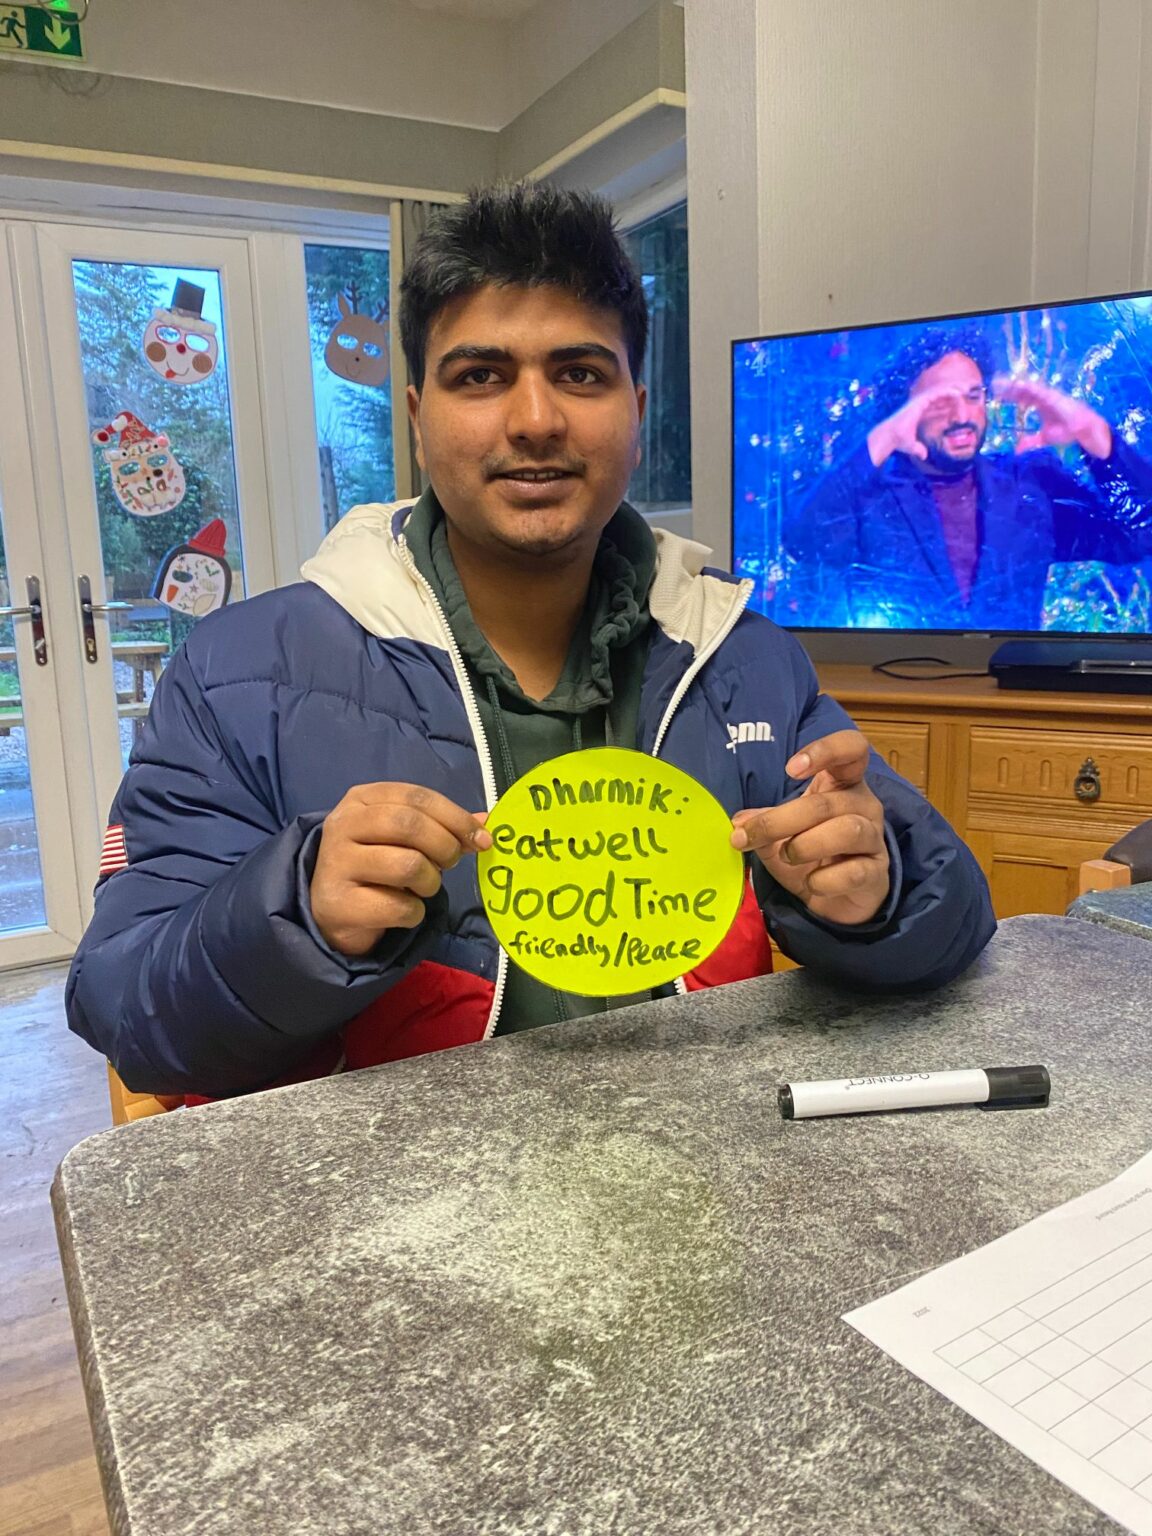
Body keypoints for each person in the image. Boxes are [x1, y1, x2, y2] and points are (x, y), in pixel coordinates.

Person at [65, 184, 995, 1100]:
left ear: (636, 409)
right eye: (480, 376)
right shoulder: (237, 676)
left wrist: (876, 897)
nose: (537, 420)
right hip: (402, 1183)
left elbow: (956, 920)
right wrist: (299, 913)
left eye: (580, 374)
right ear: (418, 418)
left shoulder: (741, 657)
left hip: (713, 1159)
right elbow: (126, 1009)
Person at [788, 326, 1152, 629]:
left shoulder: (1030, 483)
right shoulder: (870, 494)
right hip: (898, 682)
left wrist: (1093, 434)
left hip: (1012, 686)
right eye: (940, 401)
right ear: (903, 410)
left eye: (973, 395)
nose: (962, 416)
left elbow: (1138, 536)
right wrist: (883, 438)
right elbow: (804, 543)